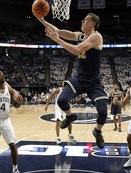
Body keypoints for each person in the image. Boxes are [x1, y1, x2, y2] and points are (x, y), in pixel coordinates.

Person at [35, 13, 108, 149]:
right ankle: (70, 117)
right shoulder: (79, 35)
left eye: (85, 20)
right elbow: (57, 31)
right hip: (80, 78)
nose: (82, 21)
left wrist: (57, 40)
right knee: (62, 100)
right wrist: (42, 19)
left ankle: (97, 131)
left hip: (93, 81)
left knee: (103, 112)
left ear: (92, 24)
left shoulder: (96, 36)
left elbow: (76, 50)